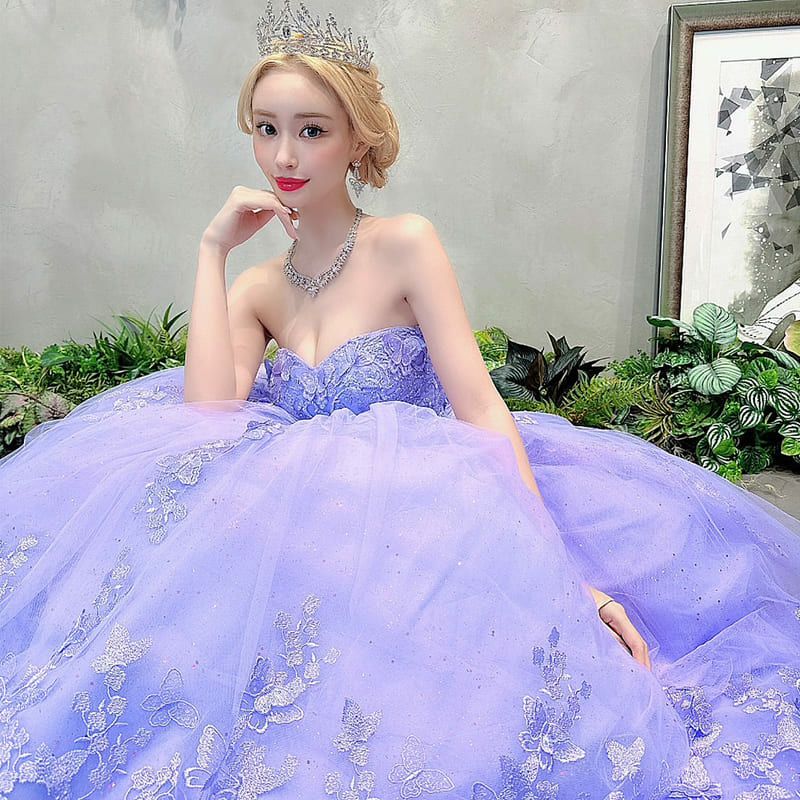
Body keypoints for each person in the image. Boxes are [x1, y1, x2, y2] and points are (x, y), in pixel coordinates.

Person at [1, 2, 798, 797]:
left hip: (428, 521)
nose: (284, 154)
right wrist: (212, 251)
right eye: (266, 128)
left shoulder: (404, 244)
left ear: (359, 139)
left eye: (312, 130)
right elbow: (207, 418)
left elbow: (479, 408)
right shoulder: (259, 288)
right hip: (297, 541)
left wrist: (560, 572)